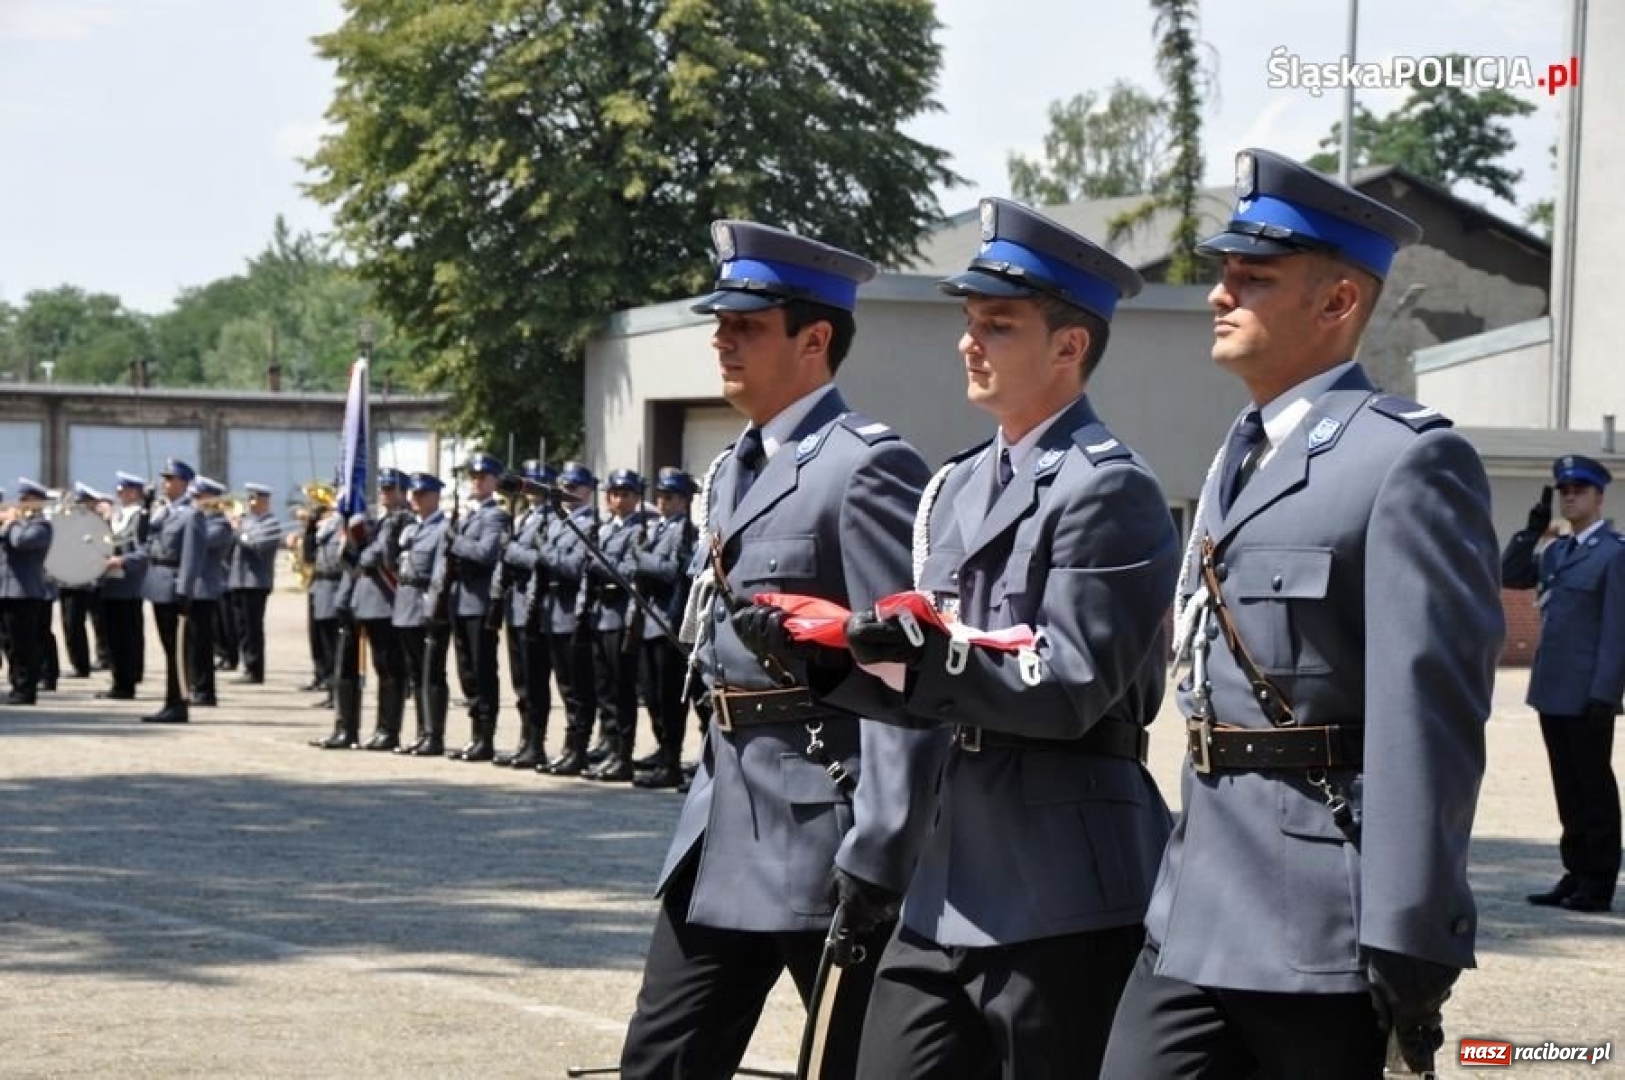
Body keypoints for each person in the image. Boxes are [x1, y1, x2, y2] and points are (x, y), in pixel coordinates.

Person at [1098, 148, 1505, 1079]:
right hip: (1192, 903)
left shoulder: (1406, 461)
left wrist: (1409, 929)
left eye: (1253, 277)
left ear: (1336, 304)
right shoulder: (1238, 455)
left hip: (1318, 918)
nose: (1219, 293)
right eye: (1223, 273)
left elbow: (1429, 716)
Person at [751, 198, 1178, 1079]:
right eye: (968, 321)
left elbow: (1066, 688)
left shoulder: (1107, 489)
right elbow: (928, 678)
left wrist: (904, 648)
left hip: (1060, 879)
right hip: (942, 873)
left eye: (998, 324)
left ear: (1068, 346)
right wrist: (829, 654)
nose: (967, 341)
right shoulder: (952, 486)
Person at [617, 220, 941, 1079]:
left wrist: (883, 844)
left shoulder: (865, 468)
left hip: (819, 829)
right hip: (723, 823)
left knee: (853, 1062)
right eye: (719, 322)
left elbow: (903, 670)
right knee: (660, 1058)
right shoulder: (731, 469)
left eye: (746, 325)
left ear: (815, 338)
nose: (721, 338)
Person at [1502, 455, 1625, 914]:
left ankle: (1597, 884)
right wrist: (1530, 531)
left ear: (1598, 497)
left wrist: (1606, 693)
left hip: (1588, 692)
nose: (1570, 496)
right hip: (1552, 688)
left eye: (1578, 490)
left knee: (1594, 790)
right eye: (1564, 490)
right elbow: (1511, 575)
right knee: (1567, 788)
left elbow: (1617, 629)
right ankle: (1574, 873)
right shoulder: (1557, 551)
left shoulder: (1615, 553)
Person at [628, 467, 699, 790]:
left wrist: (641, 559)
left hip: (668, 624)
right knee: (652, 695)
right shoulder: (657, 528)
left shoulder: (685, 531)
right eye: (660, 496)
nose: (663, 501)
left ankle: (671, 761)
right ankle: (662, 750)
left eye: (669, 496)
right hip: (649, 622)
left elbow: (674, 571)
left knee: (669, 698)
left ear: (684, 501)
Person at [580, 468, 652, 783]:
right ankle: (609, 747)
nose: (619, 499)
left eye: (626, 494)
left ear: (637, 498)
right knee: (604, 688)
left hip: (622, 615)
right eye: (614, 493)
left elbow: (628, 570)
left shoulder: (639, 531)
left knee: (622, 690)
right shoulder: (606, 529)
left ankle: (623, 754)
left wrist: (596, 563)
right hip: (600, 613)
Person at [440, 452, 511, 761]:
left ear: (495, 481)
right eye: (474, 476)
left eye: (483, 476)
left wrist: (455, 541)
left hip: (480, 602)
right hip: (461, 600)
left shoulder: (494, 515)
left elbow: (485, 553)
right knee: (466, 671)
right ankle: (474, 734)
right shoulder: (468, 514)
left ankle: (486, 737)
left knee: (482, 671)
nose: (477, 481)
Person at [536, 462, 602, 777]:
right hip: (554, 611)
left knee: (578, 688)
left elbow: (575, 566)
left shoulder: (588, 523)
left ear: (588, 490)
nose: (568, 493)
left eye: (574, 487)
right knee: (565, 686)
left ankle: (578, 748)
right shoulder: (559, 522)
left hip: (572, 612)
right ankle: (569, 747)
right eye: (564, 487)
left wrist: (544, 554)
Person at [493, 460, 558, 768]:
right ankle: (524, 739)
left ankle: (536, 742)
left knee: (534, 681)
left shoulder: (549, 519)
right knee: (520, 681)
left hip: (534, 606)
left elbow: (541, 558)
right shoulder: (522, 517)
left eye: (535, 484)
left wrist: (511, 551)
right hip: (516, 605)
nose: (529, 490)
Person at [347, 468, 413, 751]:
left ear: (403, 492)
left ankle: (389, 729)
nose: (385, 494)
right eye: (383, 489)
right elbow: (358, 556)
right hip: (370, 603)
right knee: (380, 668)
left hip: (387, 602)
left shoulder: (403, 519)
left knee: (391, 670)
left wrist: (365, 549)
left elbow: (379, 556)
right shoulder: (383, 519)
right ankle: (380, 727)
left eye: (391, 489)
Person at [141, 459, 206, 724]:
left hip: (174, 585)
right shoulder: (163, 513)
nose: (165, 484)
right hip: (158, 583)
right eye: (164, 479)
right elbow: (146, 542)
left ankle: (178, 702)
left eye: (170, 479)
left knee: (177, 650)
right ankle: (170, 700)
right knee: (168, 649)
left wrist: (185, 590)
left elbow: (192, 556)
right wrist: (146, 510)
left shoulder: (191, 515)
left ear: (183, 483)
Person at [395, 472, 453, 757]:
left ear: (435, 497)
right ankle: (421, 731)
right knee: (416, 674)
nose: (415, 499)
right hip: (406, 604)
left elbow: (440, 573)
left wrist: (434, 607)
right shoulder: (410, 529)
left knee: (432, 673)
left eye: (421, 494)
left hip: (426, 606)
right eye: (413, 494)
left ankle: (434, 733)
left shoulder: (442, 529)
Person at [1, 479, 54, 705]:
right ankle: (15, 684)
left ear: (37, 502)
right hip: (5, 591)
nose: (20, 503)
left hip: (24, 592)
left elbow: (21, 542)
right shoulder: (17, 524)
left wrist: (11, 522)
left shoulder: (41, 526)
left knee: (24, 644)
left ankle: (26, 689)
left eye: (26, 499)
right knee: (9, 643)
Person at [99, 472, 151, 700]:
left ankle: (126, 683)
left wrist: (122, 561)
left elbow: (144, 550)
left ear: (135, 492)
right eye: (119, 490)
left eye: (124, 490)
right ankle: (119, 679)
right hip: (111, 582)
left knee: (126, 636)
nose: (119, 494)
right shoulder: (118, 515)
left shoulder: (141, 516)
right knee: (113, 636)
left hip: (129, 583)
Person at [227, 483, 283, 685]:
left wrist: (238, 531)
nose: (249, 503)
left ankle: (255, 669)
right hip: (238, 580)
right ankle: (246, 665)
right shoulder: (246, 521)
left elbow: (257, 546)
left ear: (264, 501)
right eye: (248, 498)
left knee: (252, 628)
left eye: (253, 499)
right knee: (241, 627)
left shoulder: (271, 523)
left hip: (256, 582)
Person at [185, 476, 233, 707]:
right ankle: (193, 685)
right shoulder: (199, 521)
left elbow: (199, 541)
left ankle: (205, 691)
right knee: (191, 644)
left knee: (202, 645)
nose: (194, 501)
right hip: (191, 588)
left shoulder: (219, 525)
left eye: (198, 497)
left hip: (204, 588)